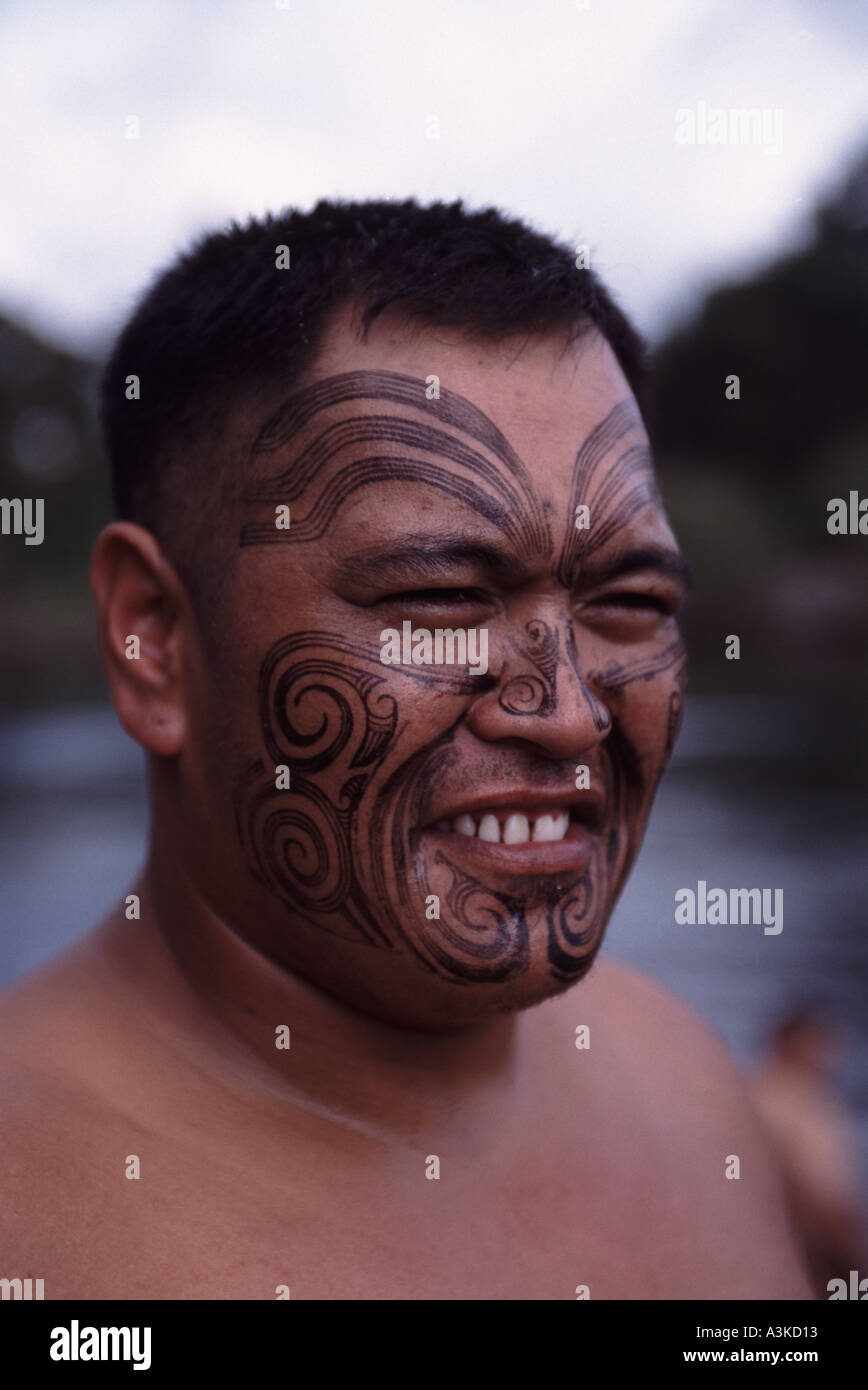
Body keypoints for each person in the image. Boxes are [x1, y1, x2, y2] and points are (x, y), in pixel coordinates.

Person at [0, 198, 812, 1299]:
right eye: (439, 599)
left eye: (628, 600)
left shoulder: (681, 1073)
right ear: (155, 641)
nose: (570, 714)